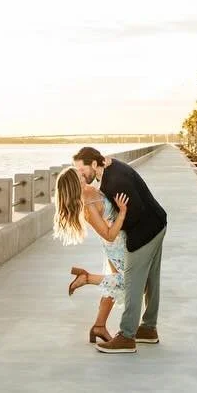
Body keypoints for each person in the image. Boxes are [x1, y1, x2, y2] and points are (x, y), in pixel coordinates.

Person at [72, 146, 168, 354]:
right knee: (151, 279)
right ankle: (148, 329)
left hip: (145, 232)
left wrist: (118, 220)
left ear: (95, 164)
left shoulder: (114, 182)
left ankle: (126, 336)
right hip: (157, 223)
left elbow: (135, 212)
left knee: (133, 283)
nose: (80, 175)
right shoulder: (110, 172)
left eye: (82, 170)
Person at [53, 168, 129, 343]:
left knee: (114, 285)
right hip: (115, 244)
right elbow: (109, 234)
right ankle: (86, 278)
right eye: (78, 175)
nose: (82, 173)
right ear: (75, 184)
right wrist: (123, 212)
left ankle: (99, 327)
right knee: (126, 282)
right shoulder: (87, 206)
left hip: (119, 240)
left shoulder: (89, 189)